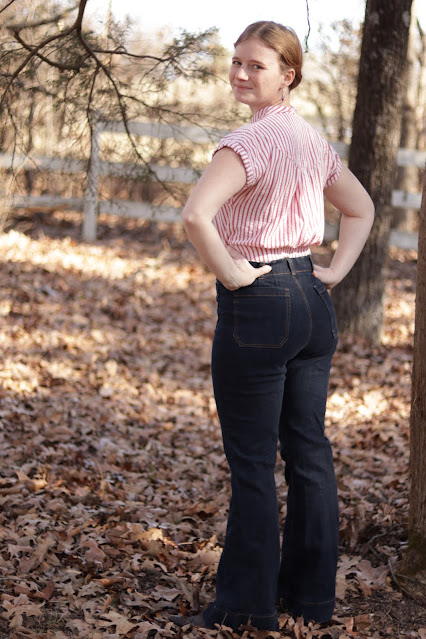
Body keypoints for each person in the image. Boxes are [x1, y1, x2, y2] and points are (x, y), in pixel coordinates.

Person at [170, 21, 374, 633]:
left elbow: (196, 215)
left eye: (255, 65)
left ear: (288, 75)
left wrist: (233, 274)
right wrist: (333, 271)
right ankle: (310, 601)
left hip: (260, 303)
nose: (239, 73)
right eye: (236, 62)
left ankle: (245, 608)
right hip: (311, 301)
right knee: (310, 453)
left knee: (254, 462)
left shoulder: (246, 143)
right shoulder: (311, 141)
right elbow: (360, 209)